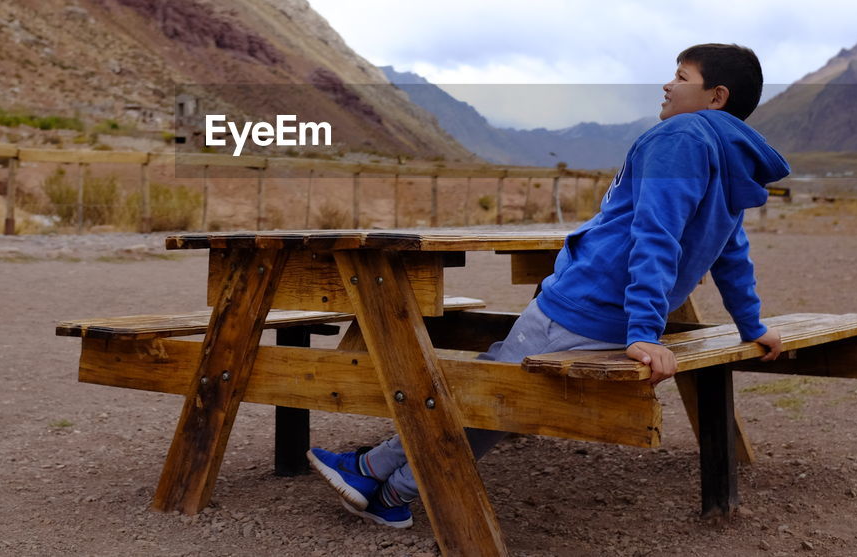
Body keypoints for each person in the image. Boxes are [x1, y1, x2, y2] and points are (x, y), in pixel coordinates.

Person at [306, 43, 791, 528]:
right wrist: (751, 323)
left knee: (492, 395)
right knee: (496, 374)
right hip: (612, 314)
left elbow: (655, 236)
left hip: (584, 305)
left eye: (682, 77)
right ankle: (370, 468)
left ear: (716, 96)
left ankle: (393, 492)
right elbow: (731, 248)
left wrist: (644, 333)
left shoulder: (681, 136)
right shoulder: (733, 156)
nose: (667, 84)